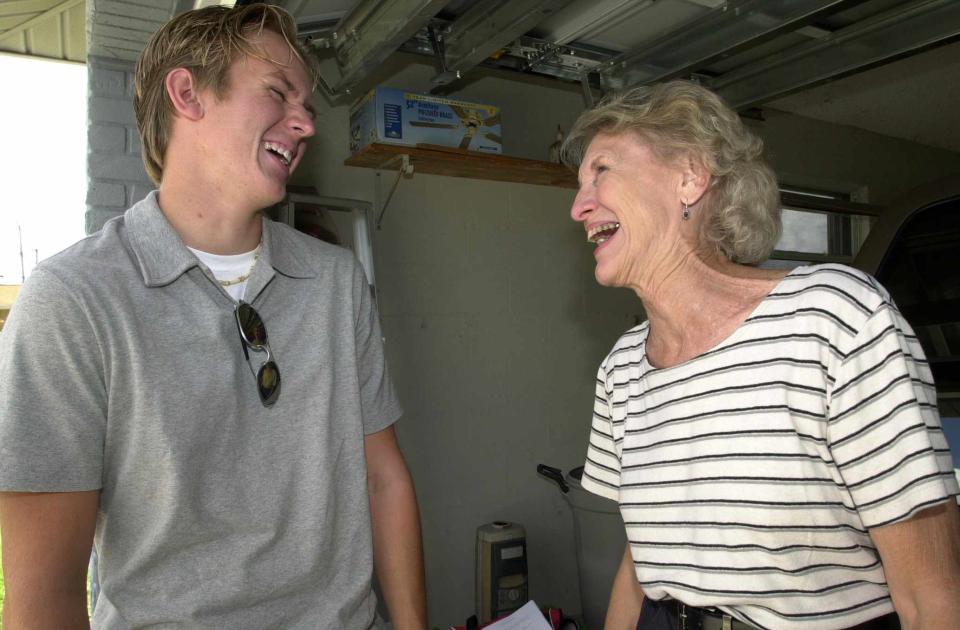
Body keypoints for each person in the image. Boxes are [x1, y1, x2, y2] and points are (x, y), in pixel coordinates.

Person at [0, 4, 426, 628]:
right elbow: (45, 594)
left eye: (307, 104)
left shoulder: (336, 282)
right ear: (186, 93)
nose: (306, 123)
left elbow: (384, 480)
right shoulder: (73, 299)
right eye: (278, 92)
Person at [563, 80, 960, 630]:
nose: (579, 205)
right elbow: (643, 560)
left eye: (601, 170)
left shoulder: (830, 319)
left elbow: (932, 596)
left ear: (689, 176)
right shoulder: (623, 368)